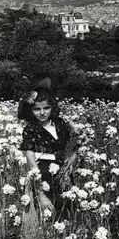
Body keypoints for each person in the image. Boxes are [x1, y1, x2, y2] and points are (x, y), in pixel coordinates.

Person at [18, 78, 78, 221]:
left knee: (67, 212)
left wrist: (72, 158)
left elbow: (74, 144)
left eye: (46, 108)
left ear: (52, 107)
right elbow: (31, 161)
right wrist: (40, 194)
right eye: (37, 109)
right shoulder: (31, 129)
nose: (42, 113)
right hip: (43, 174)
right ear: (30, 110)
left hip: (64, 173)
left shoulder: (60, 123)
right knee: (47, 215)